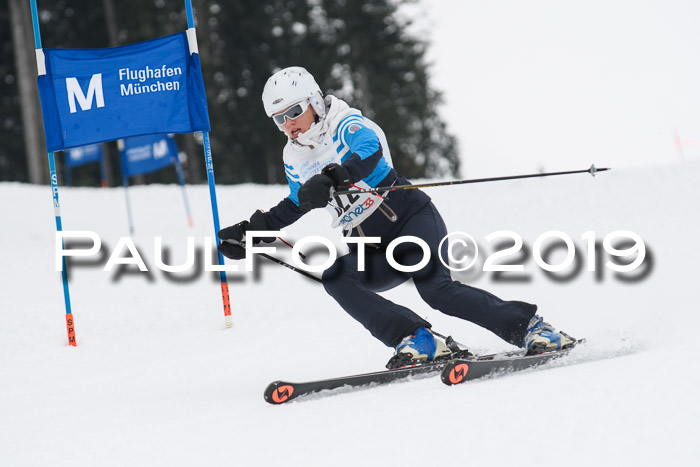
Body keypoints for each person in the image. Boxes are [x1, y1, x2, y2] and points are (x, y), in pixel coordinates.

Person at [217, 66, 575, 368]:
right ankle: (417, 338)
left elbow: (369, 152)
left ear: (313, 102)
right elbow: (296, 203)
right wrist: (251, 231)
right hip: (369, 245)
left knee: (438, 291)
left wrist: (334, 176)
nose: (288, 124)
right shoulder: (293, 156)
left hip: (409, 219)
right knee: (337, 277)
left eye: (293, 112)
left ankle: (533, 329)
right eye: (279, 119)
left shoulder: (344, 121)